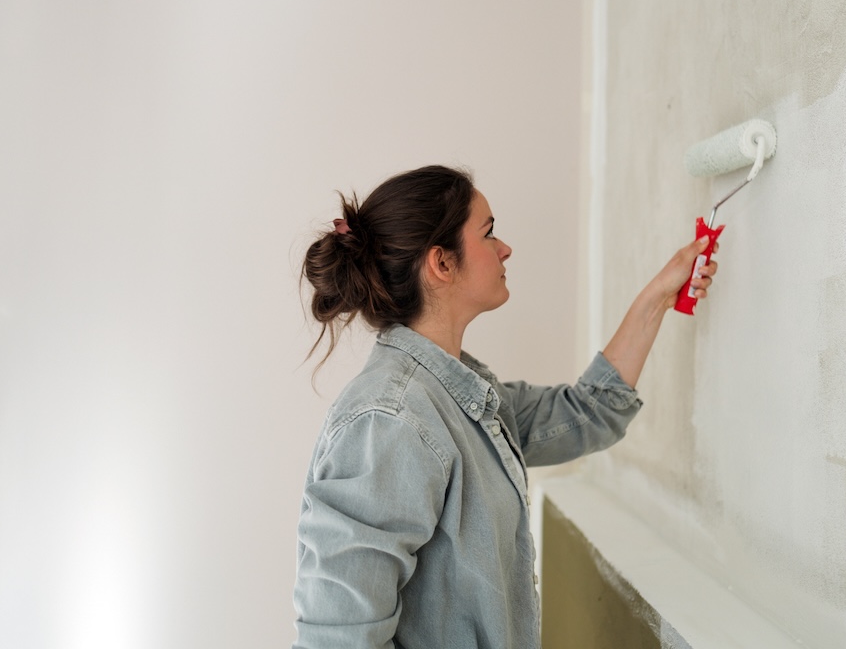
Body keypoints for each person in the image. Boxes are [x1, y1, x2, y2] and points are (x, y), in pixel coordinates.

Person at [292, 165, 717, 649]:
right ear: (442, 264)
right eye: (488, 233)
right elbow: (338, 638)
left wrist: (659, 295)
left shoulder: (459, 394)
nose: (505, 248)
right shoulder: (391, 418)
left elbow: (586, 415)